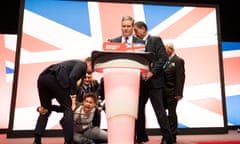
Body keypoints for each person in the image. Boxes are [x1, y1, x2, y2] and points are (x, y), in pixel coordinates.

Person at [33, 59, 92, 144]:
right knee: (68, 108)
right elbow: (72, 77)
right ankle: (68, 141)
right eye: (93, 68)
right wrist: (73, 97)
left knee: (45, 109)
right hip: (54, 78)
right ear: (89, 63)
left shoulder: (76, 71)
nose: (93, 71)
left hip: (42, 78)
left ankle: (37, 140)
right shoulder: (83, 64)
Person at [134, 21, 173, 144]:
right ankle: (141, 137)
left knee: (159, 112)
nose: (134, 32)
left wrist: (152, 73)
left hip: (155, 82)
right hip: (141, 83)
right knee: (138, 110)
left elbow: (163, 58)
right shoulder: (135, 43)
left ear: (144, 29)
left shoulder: (155, 40)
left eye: (136, 30)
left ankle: (168, 138)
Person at [163, 42, 185, 144]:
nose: (163, 51)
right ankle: (166, 135)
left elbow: (180, 78)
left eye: (165, 49)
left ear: (170, 49)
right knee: (163, 116)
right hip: (162, 93)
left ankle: (172, 136)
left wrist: (179, 93)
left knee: (171, 114)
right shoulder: (163, 61)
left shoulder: (178, 61)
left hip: (172, 93)